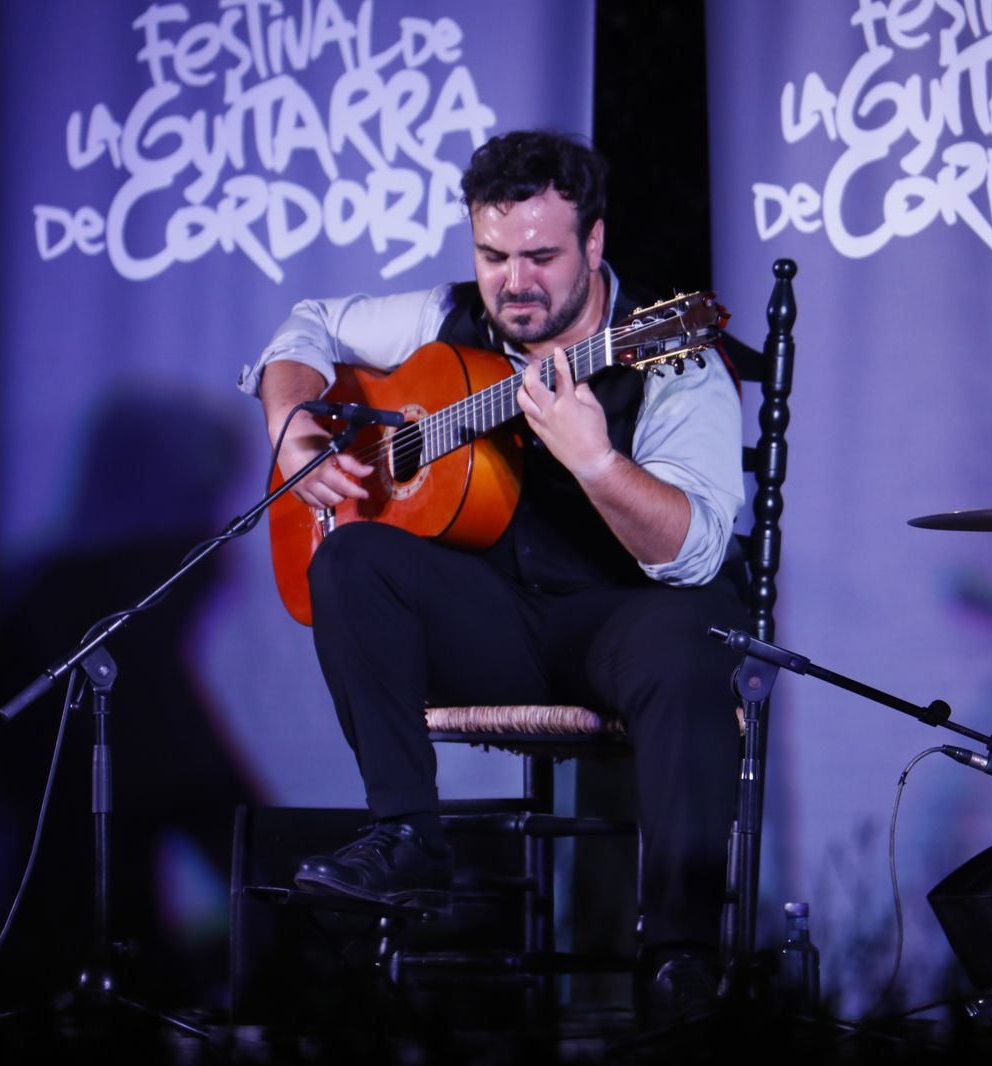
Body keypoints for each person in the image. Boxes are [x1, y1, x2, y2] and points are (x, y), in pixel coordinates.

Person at [238, 129, 749, 1024]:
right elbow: (307, 326)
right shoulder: (444, 314)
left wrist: (597, 463)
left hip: (622, 620)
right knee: (350, 554)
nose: (514, 281)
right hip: (496, 621)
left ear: (594, 244)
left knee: (691, 643)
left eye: (542, 256)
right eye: (493, 254)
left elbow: (695, 553)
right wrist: (295, 428)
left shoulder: (674, 359)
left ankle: (680, 957)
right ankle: (406, 832)